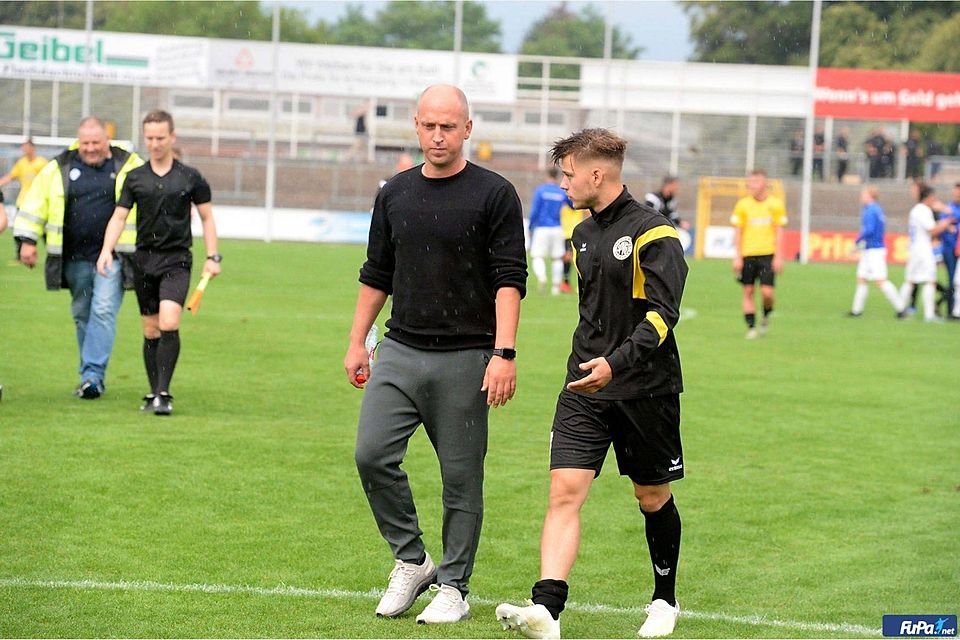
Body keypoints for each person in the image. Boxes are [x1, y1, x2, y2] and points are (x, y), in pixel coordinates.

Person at [495, 128, 688, 640]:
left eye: (568, 174)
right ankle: (547, 609)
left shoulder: (655, 233)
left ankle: (664, 600)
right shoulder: (581, 233)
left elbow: (662, 317)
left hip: (645, 389)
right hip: (584, 384)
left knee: (651, 495)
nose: (563, 183)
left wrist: (616, 364)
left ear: (595, 174)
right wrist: (592, 366)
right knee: (564, 490)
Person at [344, 85, 526, 625]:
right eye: (429, 125)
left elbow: (509, 280)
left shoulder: (495, 194)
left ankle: (454, 587)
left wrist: (504, 352)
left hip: (468, 357)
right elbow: (376, 273)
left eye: (449, 126)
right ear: (416, 126)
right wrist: (357, 340)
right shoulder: (395, 193)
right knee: (371, 455)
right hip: (399, 350)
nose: (438, 136)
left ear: (467, 128)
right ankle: (411, 559)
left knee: (461, 479)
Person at [97, 110, 220, 416]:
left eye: (160, 138)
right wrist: (106, 250)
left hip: (177, 260)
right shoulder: (135, 178)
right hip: (143, 260)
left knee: (169, 322)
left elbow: (207, 217)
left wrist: (212, 256)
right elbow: (119, 217)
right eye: (150, 138)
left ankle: (164, 393)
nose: (154, 143)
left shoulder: (190, 177)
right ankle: (154, 392)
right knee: (151, 330)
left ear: (172, 137)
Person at [13, 118, 142, 398]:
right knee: (82, 313)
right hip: (75, 257)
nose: (91, 148)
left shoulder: (129, 165)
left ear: (107, 141)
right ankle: (90, 376)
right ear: (78, 141)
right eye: (85, 143)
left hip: (114, 256)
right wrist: (27, 240)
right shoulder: (60, 167)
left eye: (96, 143)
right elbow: (36, 202)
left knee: (103, 310)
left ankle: (92, 376)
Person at [731, 169, 787, 339]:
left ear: (764, 184)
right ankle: (751, 327)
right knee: (748, 291)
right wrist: (737, 256)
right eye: (750, 182)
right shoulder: (742, 205)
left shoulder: (775, 204)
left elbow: (779, 232)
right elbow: (738, 231)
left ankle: (766, 314)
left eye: (756, 182)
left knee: (767, 293)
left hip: (768, 254)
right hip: (748, 254)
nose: (752, 185)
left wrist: (779, 256)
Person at [848, 186, 906, 318]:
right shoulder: (877, 209)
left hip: (874, 250)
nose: (861, 197)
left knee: (880, 281)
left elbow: (869, 230)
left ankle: (901, 308)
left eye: (863, 194)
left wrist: (857, 242)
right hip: (870, 249)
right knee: (862, 278)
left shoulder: (870, 210)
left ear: (870, 196)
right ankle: (856, 310)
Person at [899, 185, 953, 323]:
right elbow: (932, 230)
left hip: (914, 248)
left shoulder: (915, 210)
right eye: (933, 198)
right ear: (928, 197)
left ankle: (900, 309)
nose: (934, 200)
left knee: (910, 280)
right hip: (923, 250)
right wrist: (946, 223)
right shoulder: (924, 210)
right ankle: (929, 315)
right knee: (930, 280)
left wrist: (941, 223)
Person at [0, 139, 47, 261]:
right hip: (23, 202)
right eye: (23, 148)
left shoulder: (42, 163)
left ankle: (52, 254)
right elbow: (11, 176)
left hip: (39, 203)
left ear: (32, 148)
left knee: (45, 230)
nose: (23, 150)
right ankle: (19, 256)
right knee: (19, 229)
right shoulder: (21, 163)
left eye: (26, 147)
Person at [529, 166, 573, 295]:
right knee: (557, 258)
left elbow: (535, 211)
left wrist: (531, 226)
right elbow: (572, 205)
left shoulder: (541, 191)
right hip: (557, 228)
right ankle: (555, 288)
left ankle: (542, 277)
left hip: (542, 228)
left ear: (547, 176)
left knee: (537, 256)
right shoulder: (561, 191)